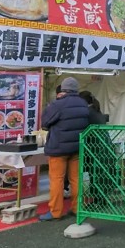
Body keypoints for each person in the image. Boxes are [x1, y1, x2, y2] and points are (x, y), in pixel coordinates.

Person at [39, 77, 90, 221]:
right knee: (76, 179)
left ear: (63, 89)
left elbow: (45, 123)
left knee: (57, 180)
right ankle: (77, 208)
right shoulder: (83, 104)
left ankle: (56, 211)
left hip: (58, 148)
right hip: (77, 147)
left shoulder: (58, 104)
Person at [79, 91, 113, 205]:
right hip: (104, 145)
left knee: (96, 174)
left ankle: (98, 201)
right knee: (99, 174)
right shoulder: (96, 110)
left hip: (97, 147)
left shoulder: (87, 112)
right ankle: (101, 200)